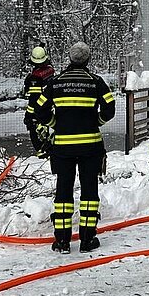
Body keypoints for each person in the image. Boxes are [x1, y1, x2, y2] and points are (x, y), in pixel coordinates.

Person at [29, 41, 116, 253]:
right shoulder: (96, 82)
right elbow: (110, 108)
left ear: (70, 58)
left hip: (63, 148)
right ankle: (87, 239)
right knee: (89, 192)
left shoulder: (55, 83)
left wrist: (55, 123)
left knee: (63, 192)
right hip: (90, 147)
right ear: (87, 59)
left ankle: (62, 241)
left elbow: (38, 110)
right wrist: (96, 121)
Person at [21, 45, 56, 155]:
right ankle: (48, 148)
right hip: (49, 105)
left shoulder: (35, 78)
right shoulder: (50, 70)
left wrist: (29, 115)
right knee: (45, 128)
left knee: (35, 131)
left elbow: (34, 99)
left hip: (39, 108)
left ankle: (42, 152)